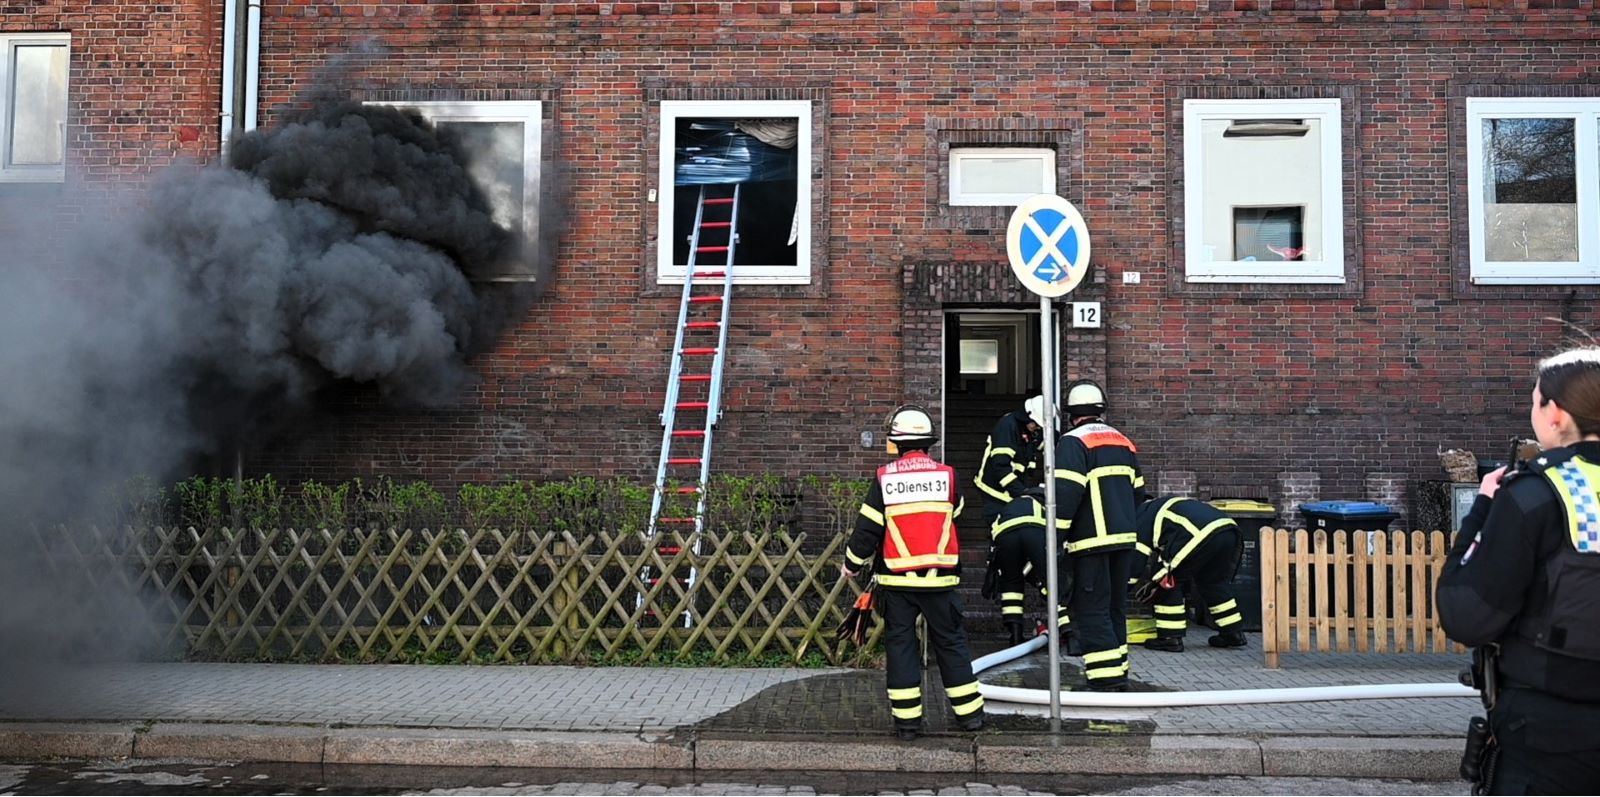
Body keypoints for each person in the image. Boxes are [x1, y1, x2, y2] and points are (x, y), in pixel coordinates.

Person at [1437, 347, 1600, 794]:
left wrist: (1482, 511)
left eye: (1535, 401)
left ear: (1556, 415)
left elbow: (1467, 615)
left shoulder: (1535, 494)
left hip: (1550, 735)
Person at [843, 404, 985, 740]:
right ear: (928, 442)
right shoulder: (948, 475)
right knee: (951, 644)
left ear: (895, 442)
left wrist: (851, 563)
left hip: (897, 582)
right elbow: (958, 511)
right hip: (941, 579)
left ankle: (907, 724)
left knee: (901, 646)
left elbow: (868, 529)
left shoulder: (885, 478)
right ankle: (971, 718)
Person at [1053, 380, 1145, 691]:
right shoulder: (1123, 442)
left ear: (1071, 414)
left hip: (1090, 544)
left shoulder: (1072, 442)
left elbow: (1066, 494)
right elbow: (1139, 494)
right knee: (1115, 608)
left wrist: (1055, 536)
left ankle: (1105, 679)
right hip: (1124, 542)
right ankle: (1118, 671)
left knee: (1092, 609)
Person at [1131, 496, 1247, 653]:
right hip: (1228, 530)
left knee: (1166, 581)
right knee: (1213, 583)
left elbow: (1135, 560)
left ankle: (1169, 638)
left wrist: (1121, 587)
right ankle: (1233, 632)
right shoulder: (1163, 505)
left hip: (1199, 534)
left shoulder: (1140, 518)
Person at [982, 489, 1071, 647]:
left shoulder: (1011, 505)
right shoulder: (1043, 504)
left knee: (1011, 586)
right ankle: (1069, 632)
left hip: (1004, 536)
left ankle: (1015, 635)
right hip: (1034, 530)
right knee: (1051, 580)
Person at [975, 394, 1049, 525]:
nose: (1038, 428)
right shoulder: (1007, 427)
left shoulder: (1029, 430)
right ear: (1027, 416)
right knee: (998, 525)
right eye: (1036, 424)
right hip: (995, 489)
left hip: (1014, 486)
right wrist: (1021, 492)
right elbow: (1000, 466)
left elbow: (1037, 447)